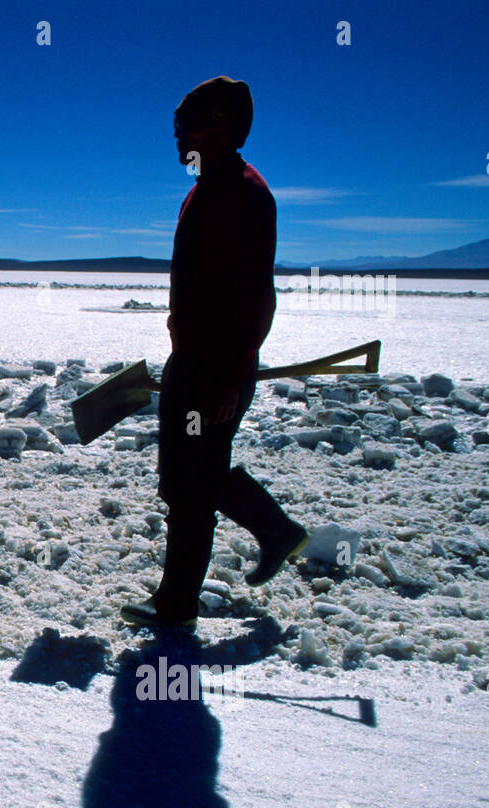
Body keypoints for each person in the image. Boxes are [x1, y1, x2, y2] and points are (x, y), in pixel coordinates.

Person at [122, 76, 308, 632]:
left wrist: (227, 377)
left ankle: (178, 605)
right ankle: (274, 532)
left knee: (190, 483)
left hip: (214, 368)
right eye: (178, 125)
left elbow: (253, 295)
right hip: (196, 361)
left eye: (189, 124)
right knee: (189, 476)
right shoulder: (207, 186)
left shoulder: (243, 193)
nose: (178, 136)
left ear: (222, 126)